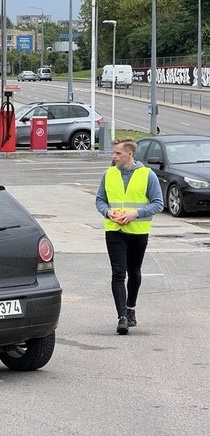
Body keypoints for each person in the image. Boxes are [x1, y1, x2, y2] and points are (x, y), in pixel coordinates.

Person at [95, 137, 163, 335]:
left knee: (134, 271)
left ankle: (131, 307)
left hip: (137, 232)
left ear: (130, 154)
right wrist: (108, 212)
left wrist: (134, 214)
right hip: (114, 230)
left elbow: (158, 203)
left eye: (117, 153)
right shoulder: (108, 174)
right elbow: (100, 200)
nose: (113, 156)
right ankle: (122, 316)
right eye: (113, 153)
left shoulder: (147, 175)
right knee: (118, 273)